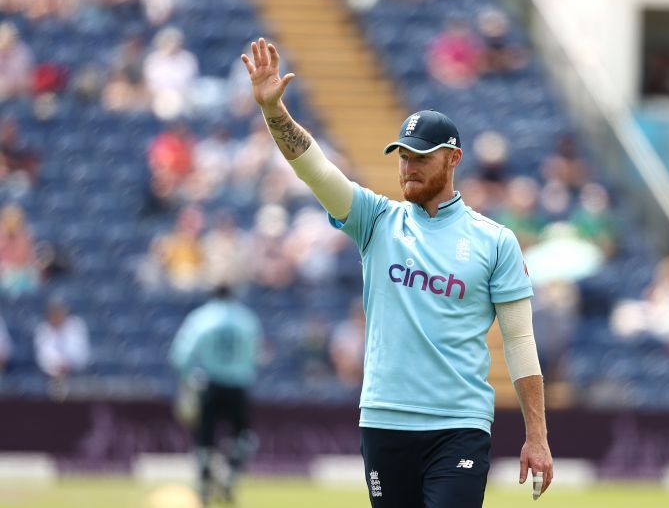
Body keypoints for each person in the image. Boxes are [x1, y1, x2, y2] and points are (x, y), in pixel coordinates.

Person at [241, 39, 553, 506]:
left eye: (421, 157)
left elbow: (520, 343)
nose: (407, 167)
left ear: (453, 160)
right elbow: (315, 169)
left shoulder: (496, 242)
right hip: (385, 421)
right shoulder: (376, 220)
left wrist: (537, 436)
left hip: (459, 425)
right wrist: (273, 111)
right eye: (403, 155)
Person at [169, 285, 264, 506]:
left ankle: (204, 486)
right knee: (244, 438)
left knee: (204, 440)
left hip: (210, 385)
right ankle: (230, 474)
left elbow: (180, 355)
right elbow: (257, 355)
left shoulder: (202, 317)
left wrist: (189, 379)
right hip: (238, 386)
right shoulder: (246, 318)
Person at [34, 298, 90, 378]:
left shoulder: (76, 325)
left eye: (59, 313)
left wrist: (67, 364)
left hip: (75, 373)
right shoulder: (43, 329)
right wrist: (57, 365)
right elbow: (43, 357)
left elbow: (81, 356)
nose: (56, 316)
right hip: (49, 375)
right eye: (53, 313)